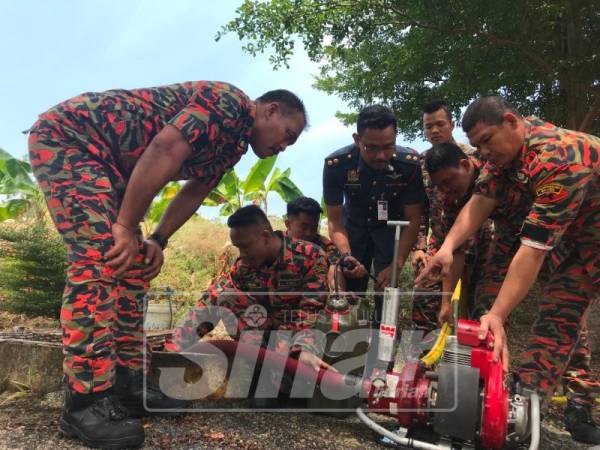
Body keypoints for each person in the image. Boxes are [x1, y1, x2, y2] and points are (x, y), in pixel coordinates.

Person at [27, 81, 307, 448]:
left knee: (133, 267)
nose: (284, 146)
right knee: (100, 261)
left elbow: (196, 190)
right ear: (269, 110)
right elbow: (165, 147)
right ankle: (85, 402)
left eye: (292, 143)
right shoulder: (230, 104)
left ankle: (128, 386)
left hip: (110, 167)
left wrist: (157, 238)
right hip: (72, 141)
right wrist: (126, 226)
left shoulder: (234, 144)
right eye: (288, 134)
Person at [417, 95, 600, 444]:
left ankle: (528, 405)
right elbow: (481, 202)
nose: (482, 153)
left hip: (590, 242)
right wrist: (446, 247)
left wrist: (499, 314)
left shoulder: (559, 158)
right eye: (476, 146)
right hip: (559, 234)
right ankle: (504, 397)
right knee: (521, 309)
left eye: (486, 141)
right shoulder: (503, 155)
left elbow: (532, 250)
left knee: (560, 313)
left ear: (512, 122)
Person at [170, 205, 332, 372]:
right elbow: (211, 300)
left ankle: (277, 375)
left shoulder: (311, 256)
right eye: (238, 247)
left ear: (265, 236)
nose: (242, 253)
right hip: (265, 336)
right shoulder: (244, 266)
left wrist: (302, 348)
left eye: (245, 246)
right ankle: (257, 370)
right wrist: (177, 345)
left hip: (300, 335)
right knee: (225, 294)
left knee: (289, 385)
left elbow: (312, 309)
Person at [322, 105, 425, 330]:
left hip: (390, 233)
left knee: (387, 295)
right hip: (352, 231)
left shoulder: (409, 164)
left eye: (388, 147)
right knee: (350, 294)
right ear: (358, 139)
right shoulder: (337, 165)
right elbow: (335, 221)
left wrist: (396, 264)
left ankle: (383, 354)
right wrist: (347, 256)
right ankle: (350, 348)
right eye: (371, 148)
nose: (381, 156)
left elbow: (413, 218)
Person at [411, 100, 478, 331]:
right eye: (429, 126)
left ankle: (472, 361)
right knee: (423, 298)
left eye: (440, 124)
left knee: (476, 310)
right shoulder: (422, 163)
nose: (435, 131)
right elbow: (421, 207)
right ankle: (422, 358)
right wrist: (419, 246)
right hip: (441, 243)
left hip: (481, 243)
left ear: (451, 124)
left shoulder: (474, 157)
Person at [285, 196, 344, 290]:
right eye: (303, 227)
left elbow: (335, 269)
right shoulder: (277, 243)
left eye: (314, 228)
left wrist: (337, 290)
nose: (309, 233)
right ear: (288, 224)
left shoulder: (327, 247)